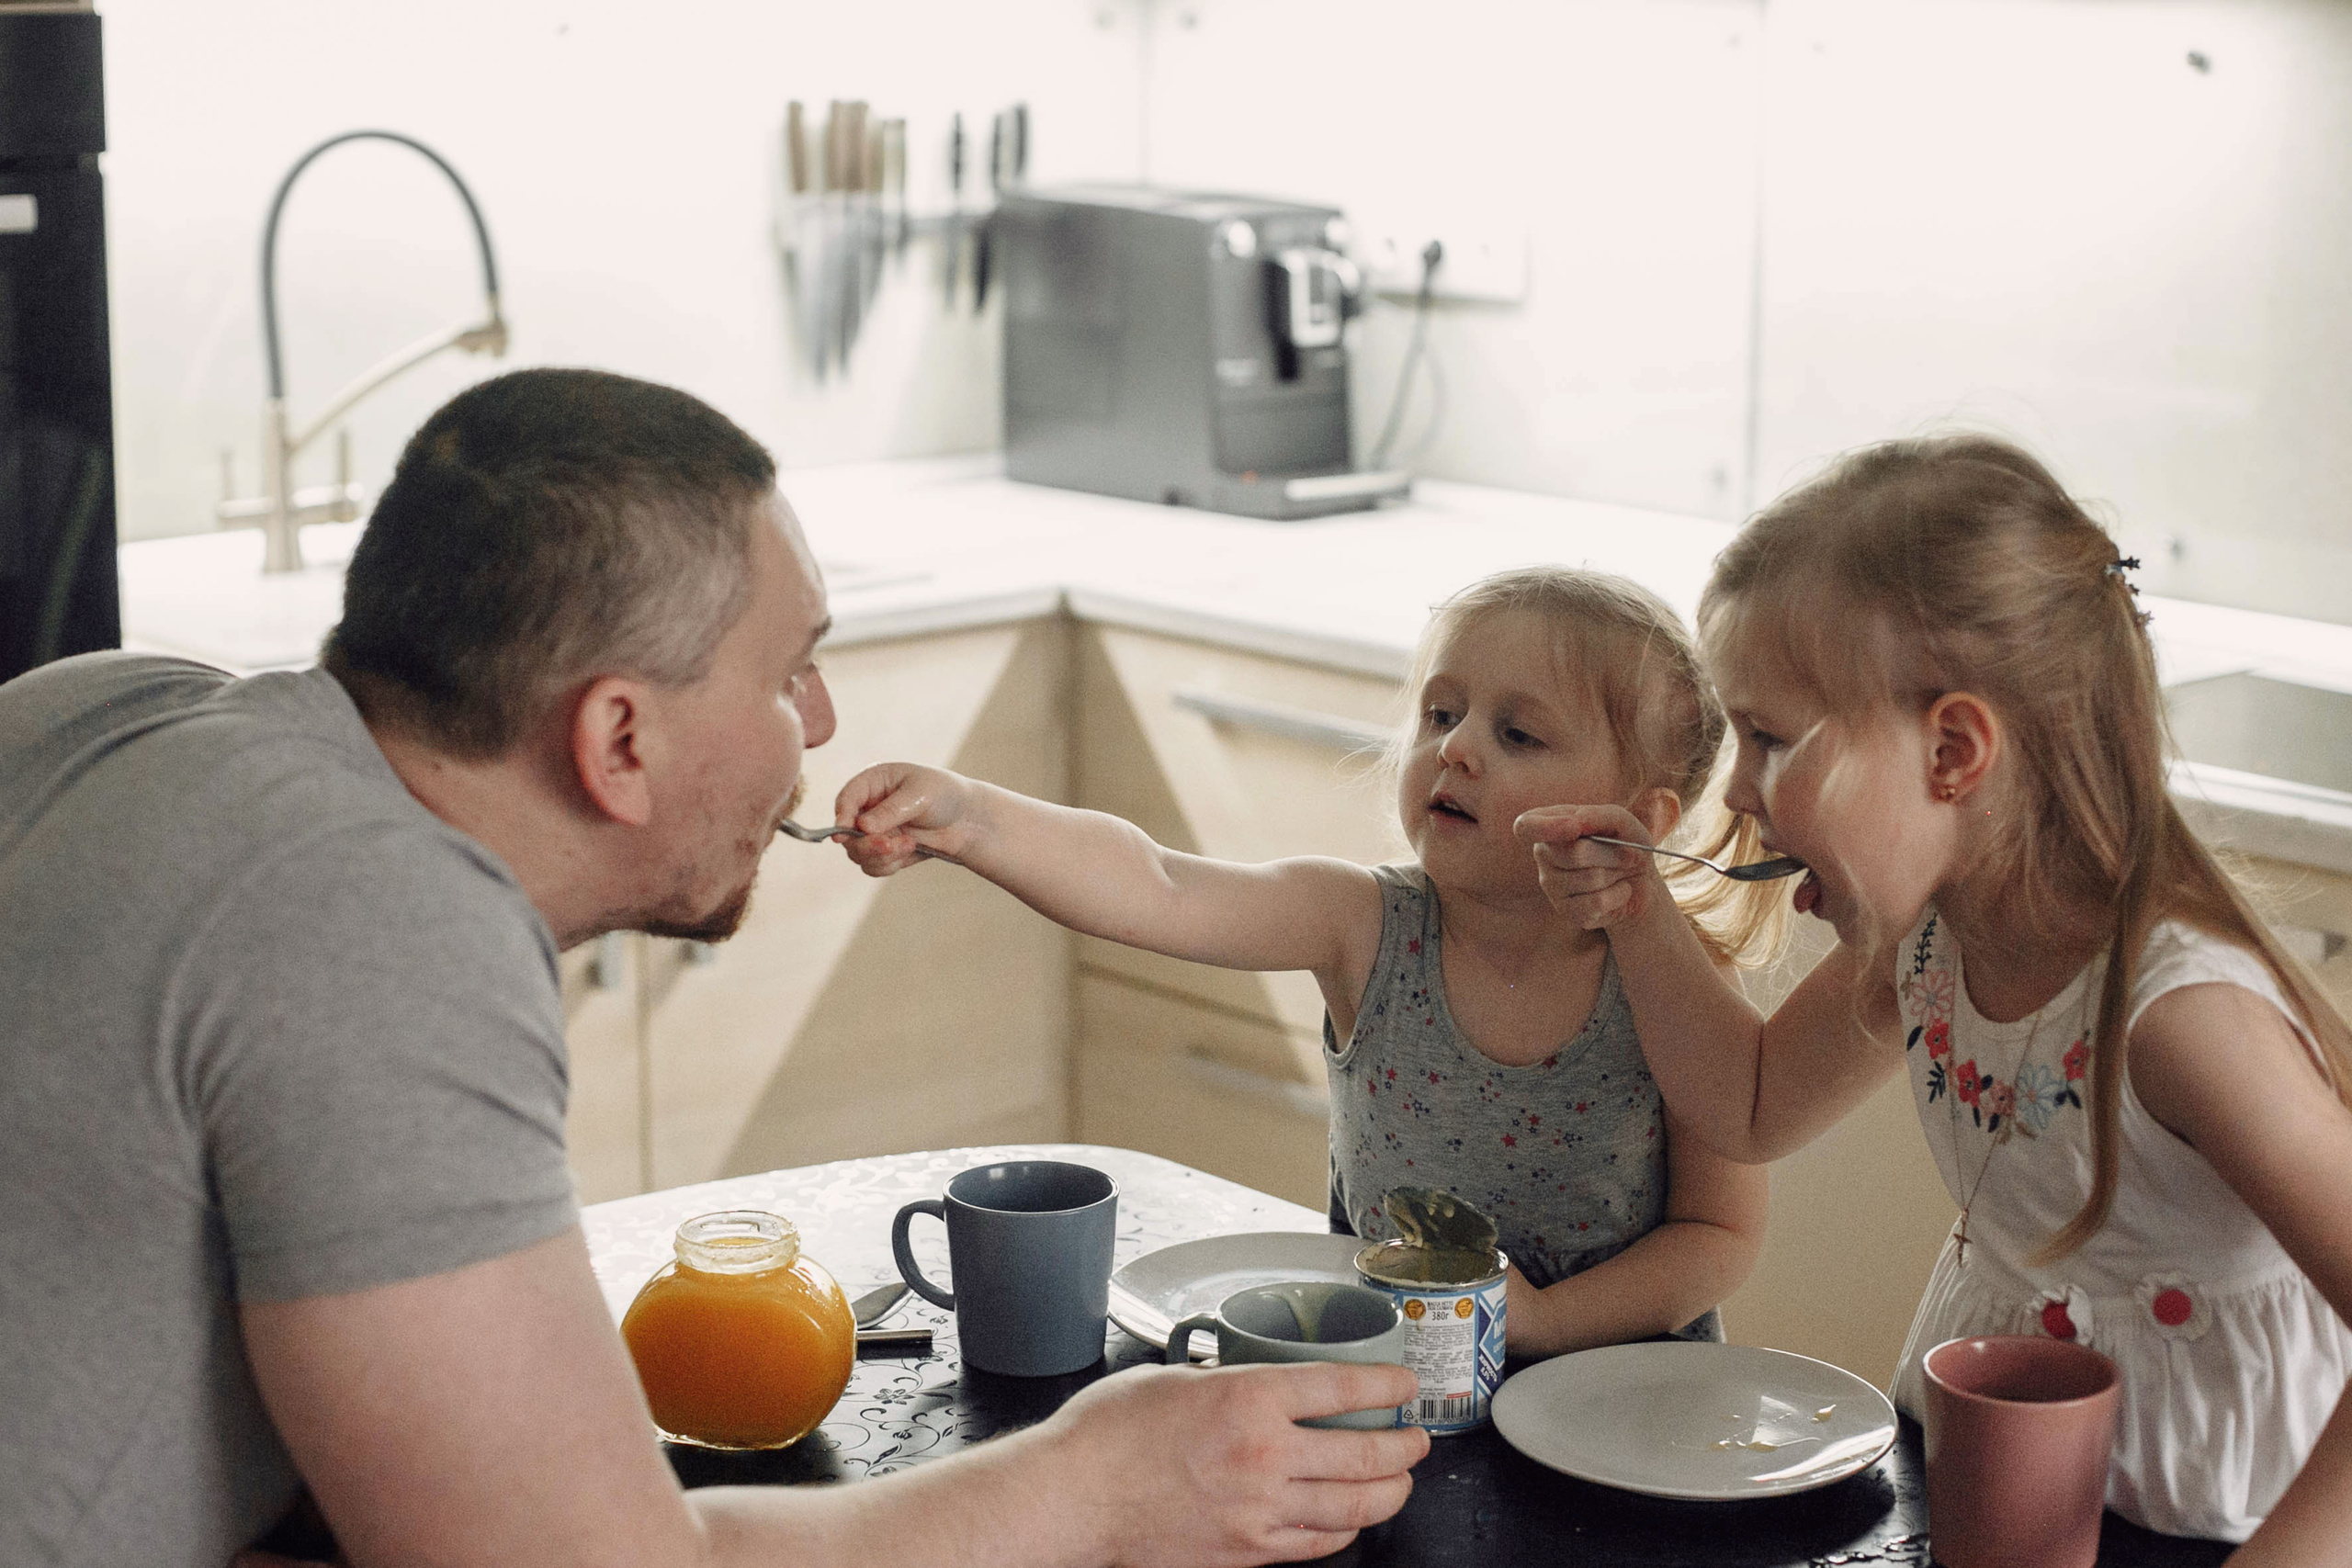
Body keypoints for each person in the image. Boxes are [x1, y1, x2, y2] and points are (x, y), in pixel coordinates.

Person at [0, 367, 1429, 1568]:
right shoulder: (379, 926)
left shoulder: (96, 705)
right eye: (788, 669)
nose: (817, 719)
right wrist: (1101, 1486)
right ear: (618, 738)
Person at [1523, 436, 2352, 1554]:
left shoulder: (2174, 1018)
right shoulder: (1935, 942)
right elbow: (1752, 1103)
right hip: (1980, 1487)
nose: (1736, 794)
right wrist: (1633, 905)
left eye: (1768, 738)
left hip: (2203, 1524)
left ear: (1953, 750)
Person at [833, 568, 1776, 1359]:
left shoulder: (1677, 986)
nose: (1454, 748)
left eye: (1517, 734)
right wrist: (976, 819)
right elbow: (1158, 883)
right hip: (1387, 1380)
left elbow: (1717, 1235)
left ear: (1640, 822)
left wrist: (1541, 1322)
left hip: (1618, 1417)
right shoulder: (1363, 924)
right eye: (1442, 711)